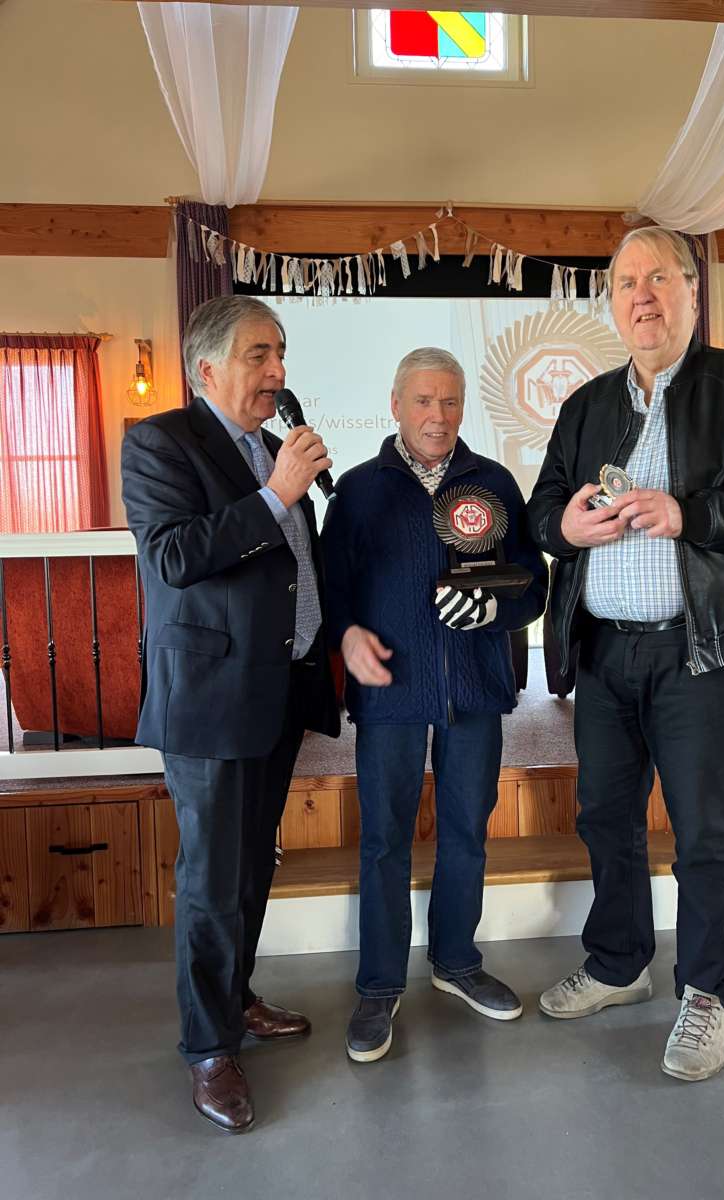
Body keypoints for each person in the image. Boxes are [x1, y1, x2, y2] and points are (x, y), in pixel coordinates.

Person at [527, 227, 724, 1082]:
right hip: (603, 654)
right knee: (605, 819)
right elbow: (545, 507)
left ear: (693, 290)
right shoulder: (587, 405)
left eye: (659, 277)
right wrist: (564, 527)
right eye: (626, 283)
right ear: (612, 305)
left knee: (704, 831)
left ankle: (708, 993)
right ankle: (620, 964)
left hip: (700, 653)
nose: (642, 296)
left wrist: (689, 514)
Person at [121, 295, 339, 1132]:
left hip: (278, 688)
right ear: (207, 368)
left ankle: (236, 998)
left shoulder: (273, 449)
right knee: (213, 880)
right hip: (210, 697)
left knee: (252, 865)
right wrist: (278, 495)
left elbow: (292, 568)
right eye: (259, 355)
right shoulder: (160, 442)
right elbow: (174, 556)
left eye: (280, 353)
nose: (277, 371)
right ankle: (209, 1048)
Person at [322, 347, 548, 1063]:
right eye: (423, 401)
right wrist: (346, 633)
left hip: (475, 687)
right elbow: (331, 589)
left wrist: (498, 612)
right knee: (384, 839)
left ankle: (456, 962)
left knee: (466, 832)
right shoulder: (358, 490)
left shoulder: (495, 483)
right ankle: (379, 984)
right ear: (396, 405)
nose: (437, 416)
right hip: (389, 690)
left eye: (450, 401)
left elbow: (533, 587)